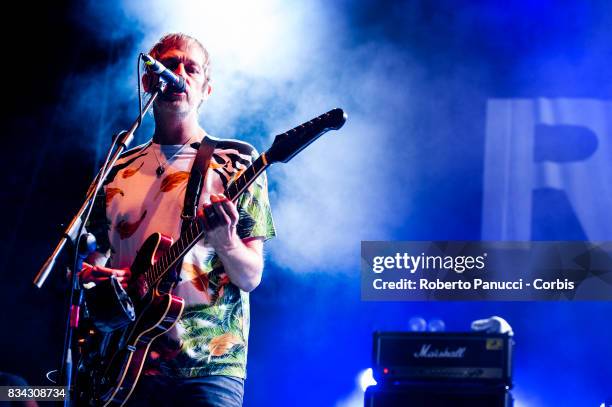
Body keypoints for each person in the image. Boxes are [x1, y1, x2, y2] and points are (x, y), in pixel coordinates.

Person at [80, 33, 276, 406]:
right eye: (169, 65)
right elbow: (91, 258)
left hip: (210, 364)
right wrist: (97, 279)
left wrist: (227, 241)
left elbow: (250, 276)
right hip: (126, 361)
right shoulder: (117, 168)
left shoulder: (236, 162)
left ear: (206, 89)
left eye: (191, 68)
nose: (179, 74)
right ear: (148, 80)